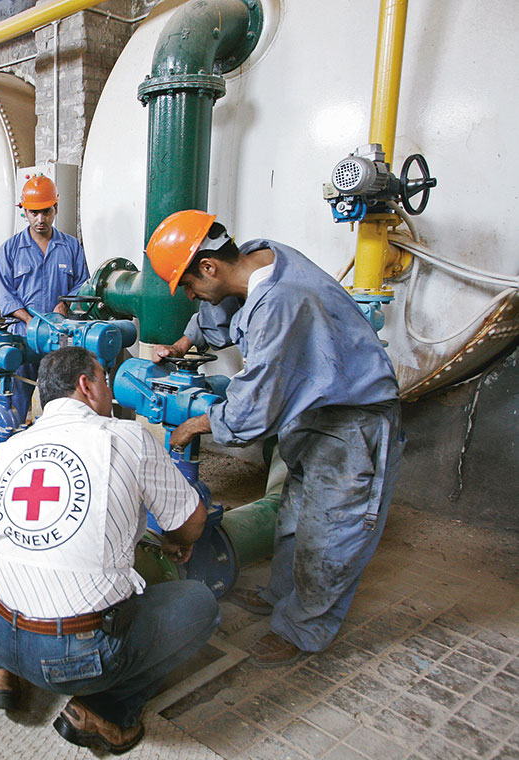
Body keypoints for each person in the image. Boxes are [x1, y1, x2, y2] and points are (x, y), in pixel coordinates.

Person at [147, 209, 404, 668]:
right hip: (313, 412)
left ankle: (302, 631)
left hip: (352, 421)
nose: (190, 295)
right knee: (295, 515)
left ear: (208, 267)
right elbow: (219, 310)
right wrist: (183, 346)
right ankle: (281, 595)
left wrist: (193, 424)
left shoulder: (282, 302)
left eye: (187, 285)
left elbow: (252, 411)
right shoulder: (259, 258)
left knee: (331, 532)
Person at [0, 346, 217, 754]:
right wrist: (176, 541)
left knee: (15, 564)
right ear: (86, 385)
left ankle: (4, 671)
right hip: (71, 657)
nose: (110, 391)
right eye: (104, 379)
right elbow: (192, 521)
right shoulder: (127, 436)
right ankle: (107, 711)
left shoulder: (13, 445)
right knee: (200, 604)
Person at [0, 176, 90, 424]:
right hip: (23, 337)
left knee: (62, 400)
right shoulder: (10, 249)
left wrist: (65, 304)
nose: (40, 219)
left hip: (60, 337)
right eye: (34, 212)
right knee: (16, 400)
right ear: (24, 212)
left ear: (55, 208)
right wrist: (29, 322)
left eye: (46, 212)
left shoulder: (71, 247)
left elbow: (83, 284)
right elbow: (5, 295)